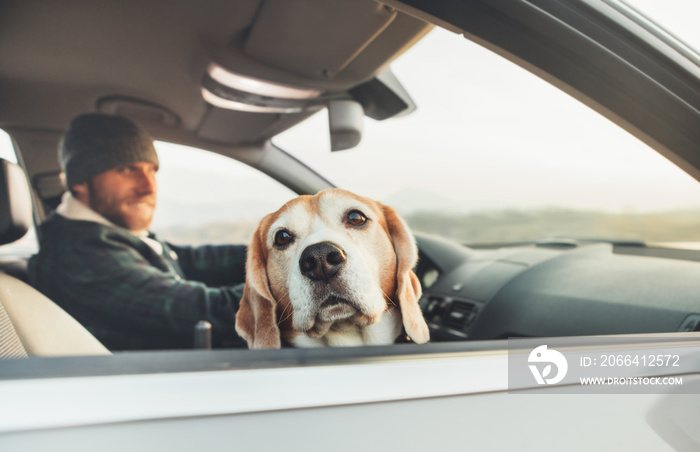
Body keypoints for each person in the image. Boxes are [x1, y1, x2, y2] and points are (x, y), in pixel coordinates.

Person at [28, 113, 247, 351]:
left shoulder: (108, 233)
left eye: (151, 170)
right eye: (126, 169)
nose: (148, 187)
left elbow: (188, 259)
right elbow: (207, 312)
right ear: (80, 180)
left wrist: (273, 252)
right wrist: (292, 290)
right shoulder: (80, 255)